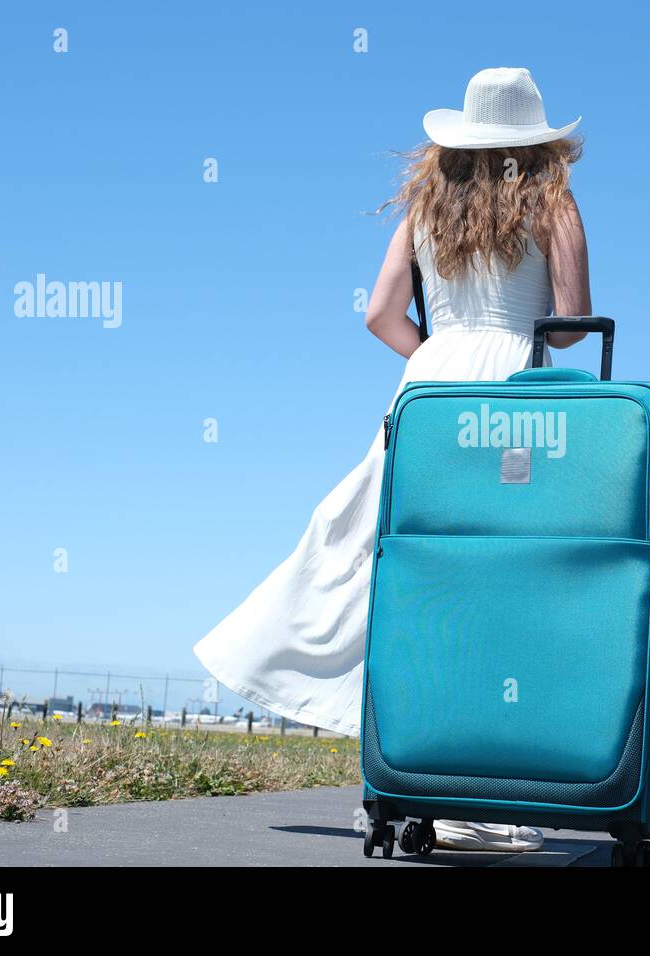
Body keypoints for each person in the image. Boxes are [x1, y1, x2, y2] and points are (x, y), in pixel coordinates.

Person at [194, 67, 591, 852]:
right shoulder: (551, 199)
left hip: (425, 399)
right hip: (512, 403)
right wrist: (504, 342)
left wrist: (439, 353)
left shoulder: (426, 202)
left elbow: (378, 314)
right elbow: (574, 323)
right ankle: (478, 795)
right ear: (538, 137)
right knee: (496, 579)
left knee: (403, 567)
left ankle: (400, 769)